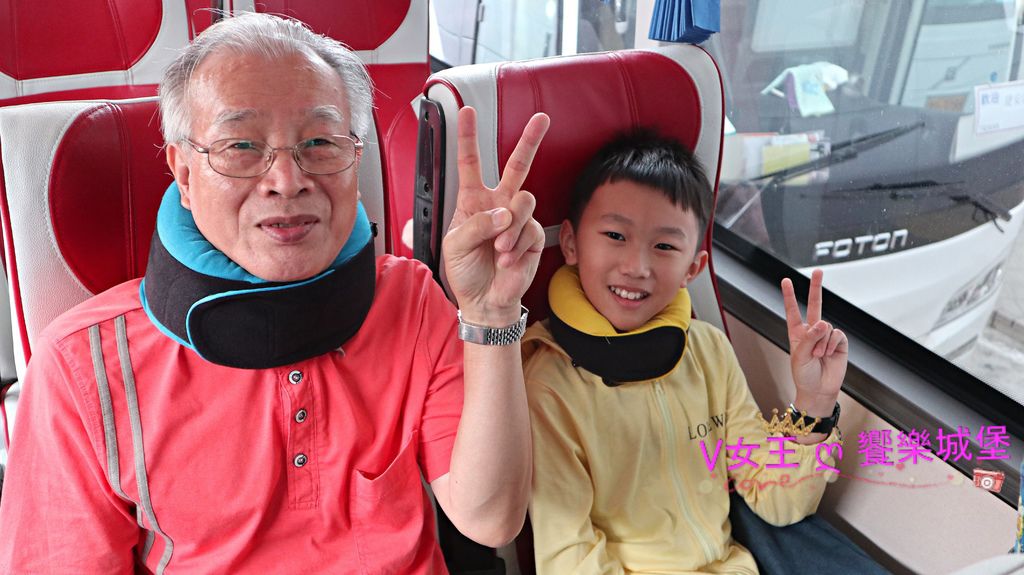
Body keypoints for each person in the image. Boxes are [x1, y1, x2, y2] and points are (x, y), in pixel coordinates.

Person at [0, 13, 550, 573]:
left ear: (356, 158)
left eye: (320, 142)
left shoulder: (410, 299)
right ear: (184, 175)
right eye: (241, 145)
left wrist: (491, 311)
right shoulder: (82, 366)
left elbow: (491, 519)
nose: (287, 181)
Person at [523, 130, 885, 574]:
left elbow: (778, 502)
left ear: (692, 268)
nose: (637, 267)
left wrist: (814, 402)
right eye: (616, 235)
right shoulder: (549, 385)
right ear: (572, 244)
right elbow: (570, 559)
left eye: (664, 246)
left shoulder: (708, 351)